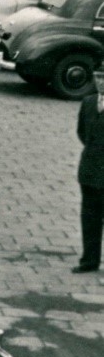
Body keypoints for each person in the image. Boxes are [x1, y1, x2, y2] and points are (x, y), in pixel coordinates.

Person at [74, 67, 104, 272]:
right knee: (90, 217)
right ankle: (89, 260)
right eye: (98, 77)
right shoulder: (89, 102)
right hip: (90, 171)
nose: (100, 82)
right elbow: (82, 133)